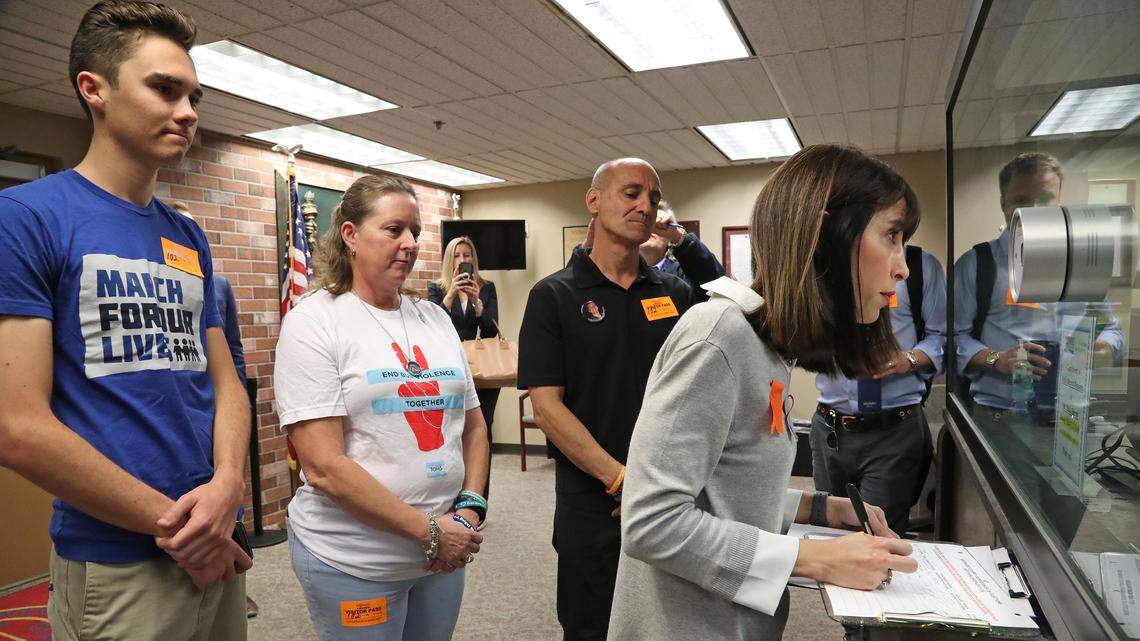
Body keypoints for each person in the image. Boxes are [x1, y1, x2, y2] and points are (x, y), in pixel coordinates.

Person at [0, 2, 252, 640]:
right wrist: (184, 529)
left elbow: (225, 382)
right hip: (120, 563)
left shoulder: (188, 236)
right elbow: (17, 427)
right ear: (95, 89)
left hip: (214, 540)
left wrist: (226, 488)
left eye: (193, 94)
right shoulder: (25, 217)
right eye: (165, 89)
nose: (189, 110)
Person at [608, 145, 919, 640]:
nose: (902, 268)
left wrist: (820, 508)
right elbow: (652, 523)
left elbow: (725, 491)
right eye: (892, 236)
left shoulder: (769, 347)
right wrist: (813, 557)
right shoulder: (718, 336)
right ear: (824, 235)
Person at [274, 175, 488, 641]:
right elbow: (324, 466)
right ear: (350, 235)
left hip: (444, 550)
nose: (410, 244)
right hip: (355, 559)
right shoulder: (314, 321)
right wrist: (431, 532)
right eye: (394, 230)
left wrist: (469, 509)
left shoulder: (434, 318)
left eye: (415, 231)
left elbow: (472, 425)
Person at [518, 157, 693, 640]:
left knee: (667, 623)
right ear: (593, 200)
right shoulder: (552, 295)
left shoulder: (675, 294)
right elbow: (548, 409)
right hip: (592, 499)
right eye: (631, 193)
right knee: (592, 626)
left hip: (667, 492)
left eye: (653, 198)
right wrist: (619, 479)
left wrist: (655, 484)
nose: (645, 206)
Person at [952, 152, 1123, 420]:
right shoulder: (975, 265)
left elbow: (1112, 329)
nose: (1033, 210)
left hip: (1069, 418)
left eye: (1044, 199)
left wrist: (1104, 348)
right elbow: (954, 339)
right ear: (1003, 204)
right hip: (998, 416)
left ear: (1058, 202)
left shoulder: (1082, 264)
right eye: (1021, 200)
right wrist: (997, 359)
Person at [811, 244, 946, 535]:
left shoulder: (918, 268)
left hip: (893, 432)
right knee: (831, 532)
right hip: (829, 429)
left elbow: (943, 339)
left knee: (874, 535)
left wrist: (907, 360)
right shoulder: (824, 265)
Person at [171, 199, 258, 618]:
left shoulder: (216, 285)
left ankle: (235, 575)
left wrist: (236, 401)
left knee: (226, 491)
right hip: (183, 407)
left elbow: (233, 352)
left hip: (220, 410)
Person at [428, 236, 499, 500]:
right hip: (449, 371)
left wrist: (479, 307)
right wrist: (449, 297)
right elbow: (430, 326)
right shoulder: (436, 288)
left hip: (482, 371)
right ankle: (450, 496)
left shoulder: (487, 287)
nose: (463, 260)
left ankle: (479, 497)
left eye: (467, 255)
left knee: (483, 431)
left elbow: (494, 330)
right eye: (457, 255)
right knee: (450, 431)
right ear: (449, 259)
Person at [573, 199, 723, 302]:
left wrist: (678, 235)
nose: (651, 229)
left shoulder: (683, 274)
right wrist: (588, 245)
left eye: (658, 226)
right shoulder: (615, 271)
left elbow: (717, 286)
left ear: (668, 240)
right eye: (643, 224)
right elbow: (570, 291)